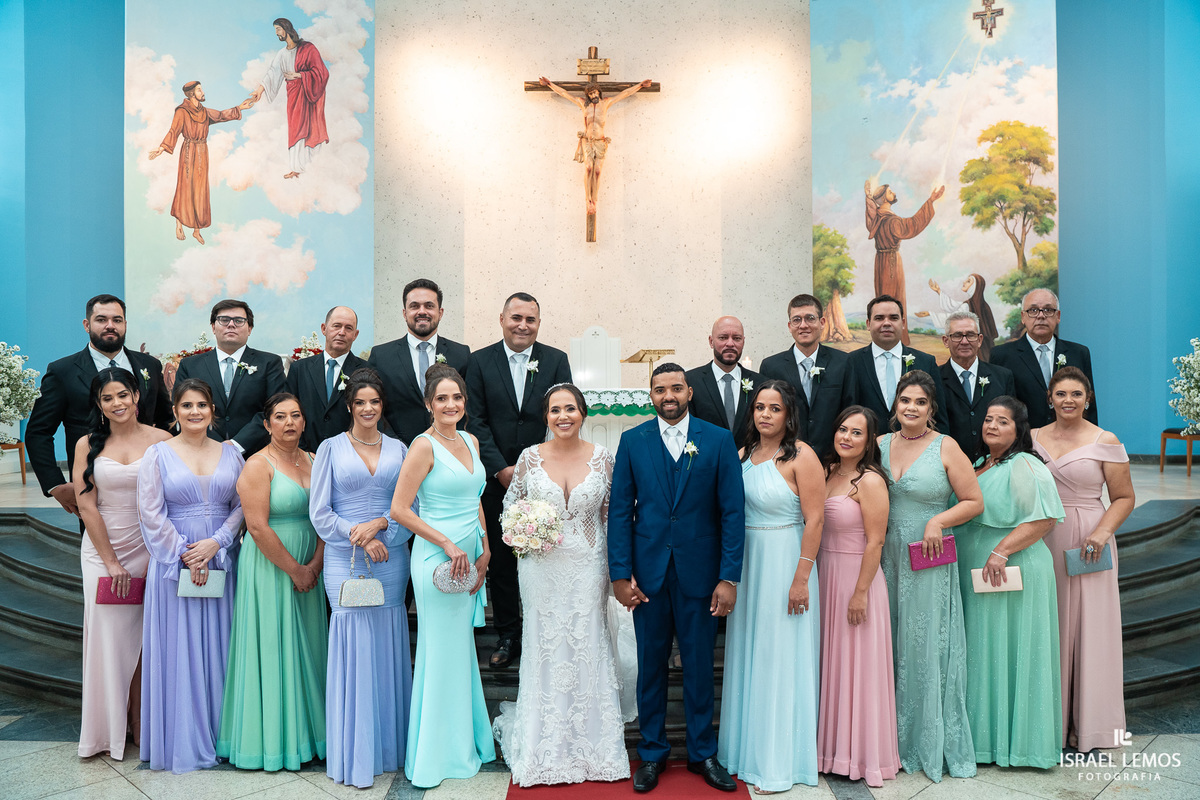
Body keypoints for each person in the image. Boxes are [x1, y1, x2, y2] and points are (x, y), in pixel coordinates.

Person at [608, 363, 745, 794]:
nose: (668, 395)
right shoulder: (633, 441)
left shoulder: (718, 440)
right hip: (647, 576)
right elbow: (619, 513)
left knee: (700, 666)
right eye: (659, 389)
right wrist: (618, 574)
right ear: (650, 396)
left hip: (701, 575)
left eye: (675, 388)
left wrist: (728, 577)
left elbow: (732, 513)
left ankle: (703, 752)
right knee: (650, 667)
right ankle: (651, 753)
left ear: (689, 392)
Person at [492, 383, 635, 787]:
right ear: (546, 416)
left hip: (589, 565)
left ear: (583, 413)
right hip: (541, 567)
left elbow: (613, 517)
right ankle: (545, 744)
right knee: (545, 644)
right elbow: (510, 509)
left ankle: (594, 745)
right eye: (555, 410)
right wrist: (523, 533)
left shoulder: (604, 459)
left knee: (588, 643)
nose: (563, 416)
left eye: (570, 408)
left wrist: (618, 572)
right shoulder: (529, 459)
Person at [392, 365, 496, 788]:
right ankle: (434, 755)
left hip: (470, 555)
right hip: (437, 557)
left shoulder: (470, 439)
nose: (451, 405)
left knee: (460, 650)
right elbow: (400, 510)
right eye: (442, 399)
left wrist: (484, 547)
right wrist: (450, 545)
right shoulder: (423, 446)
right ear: (429, 405)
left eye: (457, 398)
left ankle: (463, 741)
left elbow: (475, 499)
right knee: (439, 651)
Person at [718, 380, 824, 794]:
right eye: (759, 407)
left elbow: (815, 520)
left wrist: (801, 577)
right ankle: (747, 752)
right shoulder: (743, 455)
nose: (765, 414)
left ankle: (779, 763)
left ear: (788, 415)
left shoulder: (802, 456)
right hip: (749, 564)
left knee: (781, 659)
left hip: (785, 561)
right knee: (751, 654)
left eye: (774, 408)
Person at [877, 370, 983, 781]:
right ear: (896, 404)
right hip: (885, 555)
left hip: (929, 555)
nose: (911, 408)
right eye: (905, 400)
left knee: (924, 645)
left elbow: (974, 501)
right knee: (889, 641)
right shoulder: (880, 444)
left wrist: (938, 520)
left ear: (931, 409)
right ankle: (887, 740)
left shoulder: (946, 447)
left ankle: (924, 741)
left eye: (920, 402)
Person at [309, 368, 413, 789]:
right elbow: (319, 512)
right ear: (349, 407)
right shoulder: (330, 448)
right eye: (360, 403)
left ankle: (389, 747)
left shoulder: (401, 448)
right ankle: (355, 751)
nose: (368, 409)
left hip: (391, 555)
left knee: (388, 640)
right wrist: (359, 537)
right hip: (343, 559)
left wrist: (382, 525)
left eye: (374, 402)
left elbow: (411, 509)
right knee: (353, 641)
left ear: (381, 406)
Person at [138, 379, 245, 773]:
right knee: (182, 649)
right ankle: (183, 737)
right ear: (175, 411)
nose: (195, 412)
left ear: (212, 410)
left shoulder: (232, 453)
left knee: (222, 647)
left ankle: (225, 734)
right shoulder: (157, 455)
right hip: (174, 565)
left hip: (221, 560)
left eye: (202, 405)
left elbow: (242, 504)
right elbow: (150, 513)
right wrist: (186, 553)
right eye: (187, 405)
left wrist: (217, 542)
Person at [218, 393, 327, 771]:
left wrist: (316, 562)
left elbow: (327, 514)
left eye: (296, 415)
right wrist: (296, 569)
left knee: (309, 647)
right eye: (280, 417)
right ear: (266, 424)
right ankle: (275, 741)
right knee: (274, 646)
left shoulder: (314, 460)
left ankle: (312, 735)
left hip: (312, 558)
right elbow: (257, 527)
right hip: (271, 563)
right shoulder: (256, 465)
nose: (289, 423)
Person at [956, 395, 1065, 768]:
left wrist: (1001, 551)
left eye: (1002, 421)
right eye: (988, 419)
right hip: (980, 571)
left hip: (1011, 569)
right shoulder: (980, 463)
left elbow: (1044, 519)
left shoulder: (1025, 465)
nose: (992, 426)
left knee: (1010, 650)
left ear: (1019, 429)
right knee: (986, 651)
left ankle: (1020, 745)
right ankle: (985, 740)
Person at [465, 292, 572, 669]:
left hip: (545, 478)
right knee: (504, 561)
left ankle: (547, 631)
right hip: (497, 481)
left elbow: (562, 417)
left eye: (530, 319)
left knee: (546, 555)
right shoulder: (478, 362)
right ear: (502, 319)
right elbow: (474, 420)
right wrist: (501, 468)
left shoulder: (556, 360)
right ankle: (509, 634)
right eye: (516, 318)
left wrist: (535, 468)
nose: (523, 325)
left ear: (538, 323)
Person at [1033, 368, 1134, 751]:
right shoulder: (1032, 438)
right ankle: (1050, 724)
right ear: (1050, 397)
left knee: (1092, 628)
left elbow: (1124, 497)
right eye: (1061, 393)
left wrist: (1102, 533)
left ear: (1088, 399)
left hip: (1089, 539)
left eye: (1077, 394)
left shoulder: (1105, 440)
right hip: (1042, 536)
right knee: (1050, 625)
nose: (1069, 400)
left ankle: (1091, 726)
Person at [74, 368, 171, 761]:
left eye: (123, 395)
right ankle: (104, 732)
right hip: (102, 551)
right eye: (107, 398)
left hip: (150, 545)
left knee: (148, 638)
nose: (117, 404)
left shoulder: (163, 439)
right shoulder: (87, 444)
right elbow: (85, 504)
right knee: (109, 639)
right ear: (99, 405)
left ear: (136, 395)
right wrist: (112, 563)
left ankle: (141, 722)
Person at [27, 294, 172, 520]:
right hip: (94, 485)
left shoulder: (149, 365)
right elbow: (39, 431)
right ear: (87, 325)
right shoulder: (63, 371)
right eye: (101, 320)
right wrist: (54, 484)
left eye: (117, 320)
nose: (110, 326)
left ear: (125, 324)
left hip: (151, 481)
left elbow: (165, 420)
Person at [816, 406, 899, 788]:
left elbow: (876, 540)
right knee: (831, 664)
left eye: (857, 433)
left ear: (869, 442)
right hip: (825, 576)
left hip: (856, 578)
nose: (846, 437)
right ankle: (828, 750)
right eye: (842, 429)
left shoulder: (870, 481)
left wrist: (860, 593)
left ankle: (861, 755)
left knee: (857, 667)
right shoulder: (828, 471)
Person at [174, 299, 286, 456]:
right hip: (201, 452)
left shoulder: (269, 363)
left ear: (250, 328)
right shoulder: (190, 365)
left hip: (256, 453)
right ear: (213, 327)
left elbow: (274, 409)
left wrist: (236, 444)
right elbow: (182, 408)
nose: (231, 325)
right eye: (224, 320)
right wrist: (216, 446)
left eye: (239, 321)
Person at [368, 278, 471, 445]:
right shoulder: (381, 356)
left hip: (450, 450)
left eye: (429, 306)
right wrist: (396, 447)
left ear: (441, 312)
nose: (422, 311)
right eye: (414, 306)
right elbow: (374, 407)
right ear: (404, 313)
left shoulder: (461, 354)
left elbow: (469, 407)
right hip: (398, 454)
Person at [148, 83, 252, 243]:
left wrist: (240, 108)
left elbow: (221, 115)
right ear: (191, 94)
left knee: (200, 190)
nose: (202, 92)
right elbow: (174, 131)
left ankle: (197, 230)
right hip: (188, 153)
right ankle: (179, 224)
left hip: (203, 152)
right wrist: (162, 148)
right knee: (185, 187)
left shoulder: (204, 112)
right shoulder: (182, 112)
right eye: (199, 90)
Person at [538, 76, 653, 214]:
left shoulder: (606, 103)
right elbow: (564, 94)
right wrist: (549, 84)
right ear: (588, 95)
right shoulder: (583, 104)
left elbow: (625, 93)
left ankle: (595, 200)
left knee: (597, 171)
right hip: (588, 141)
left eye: (595, 92)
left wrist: (640, 85)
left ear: (599, 92)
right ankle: (588, 200)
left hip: (600, 142)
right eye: (590, 93)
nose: (593, 95)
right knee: (588, 168)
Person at [759, 294, 853, 458]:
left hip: (832, 457)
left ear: (822, 322)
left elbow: (851, 412)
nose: (803, 325)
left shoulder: (843, 362)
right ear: (789, 326)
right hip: (786, 456)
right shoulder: (771, 366)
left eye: (810, 318)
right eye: (797, 320)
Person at [990, 288, 1098, 428]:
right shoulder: (1002, 355)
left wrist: (1092, 441)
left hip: (1071, 437)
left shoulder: (1078, 353)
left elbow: (1089, 404)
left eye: (1048, 310)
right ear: (1023, 317)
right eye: (1033, 310)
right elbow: (998, 408)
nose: (1041, 316)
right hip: (1023, 441)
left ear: (1058, 316)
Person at [846, 295, 949, 433]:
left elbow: (939, 417)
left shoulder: (926, 362)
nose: (887, 323)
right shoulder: (851, 362)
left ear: (903, 323)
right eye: (879, 318)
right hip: (867, 449)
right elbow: (846, 413)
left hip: (915, 448)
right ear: (868, 324)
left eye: (894, 318)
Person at [864, 181, 945, 344]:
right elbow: (912, 225)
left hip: (880, 262)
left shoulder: (877, 219)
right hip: (892, 263)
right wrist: (930, 202)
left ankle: (883, 337)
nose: (893, 193)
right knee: (894, 298)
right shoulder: (892, 221)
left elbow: (871, 212)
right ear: (883, 198)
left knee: (883, 297)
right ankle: (897, 339)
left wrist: (867, 197)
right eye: (890, 192)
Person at [249, 18, 329, 179]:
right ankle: (296, 168)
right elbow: (272, 73)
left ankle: (312, 167)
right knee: (296, 128)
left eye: (278, 29)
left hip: (309, 95)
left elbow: (322, 72)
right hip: (293, 96)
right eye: (276, 30)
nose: (276, 33)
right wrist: (260, 90)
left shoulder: (308, 48)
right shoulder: (282, 54)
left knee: (310, 128)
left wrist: (300, 75)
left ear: (286, 29)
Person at [285, 306, 366, 451]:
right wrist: (303, 453)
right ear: (324, 329)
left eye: (348, 328)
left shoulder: (365, 371)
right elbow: (289, 412)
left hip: (352, 455)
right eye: (336, 326)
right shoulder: (299, 369)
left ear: (355, 334)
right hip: (305, 456)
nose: (341, 332)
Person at [938, 311, 1015, 458]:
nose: (965, 341)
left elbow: (1012, 423)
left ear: (979, 340)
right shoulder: (934, 379)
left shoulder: (1003, 377)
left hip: (995, 464)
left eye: (971, 335)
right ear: (946, 340)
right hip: (948, 466)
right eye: (957, 335)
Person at [685, 316, 763, 449]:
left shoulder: (761, 383)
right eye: (723, 337)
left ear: (743, 342)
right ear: (711, 341)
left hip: (750, 462)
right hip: (707, 463)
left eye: (737, 338)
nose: (730, 343)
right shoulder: (690, 381)